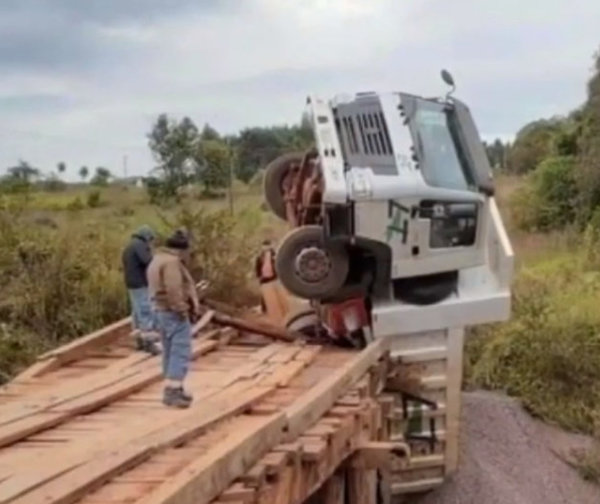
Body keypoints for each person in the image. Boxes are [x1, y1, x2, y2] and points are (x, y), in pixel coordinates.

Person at [147, 230, 200, 408]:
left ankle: (171, 387)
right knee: (180, 350)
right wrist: (182, 309)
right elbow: (174, 288)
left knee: (169, 351)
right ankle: (174, 391)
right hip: (172, 311)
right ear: (181, 250)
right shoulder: (171, 263)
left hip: (159, 310)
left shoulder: (157, 259)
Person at [121, 225, 161, 355]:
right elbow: (148, 261)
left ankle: (139, 341)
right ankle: (149, 343)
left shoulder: (129, 246)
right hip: (140, 283)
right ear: (147, 237)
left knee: (137, 313)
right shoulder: (139, 246)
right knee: (145, 312)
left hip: (131, 283)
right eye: (150, 240)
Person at [254, 239, 289, 326]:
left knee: (282, 302)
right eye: (265, 246)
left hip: (275, 279)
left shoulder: (275, 255)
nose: (266, 248)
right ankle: (277, 323)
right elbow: (257, 269)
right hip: (265, 281)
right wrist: (260, 278)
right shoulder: (259, 257)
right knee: (271, 304)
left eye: (267, 245)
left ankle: (286, 320)